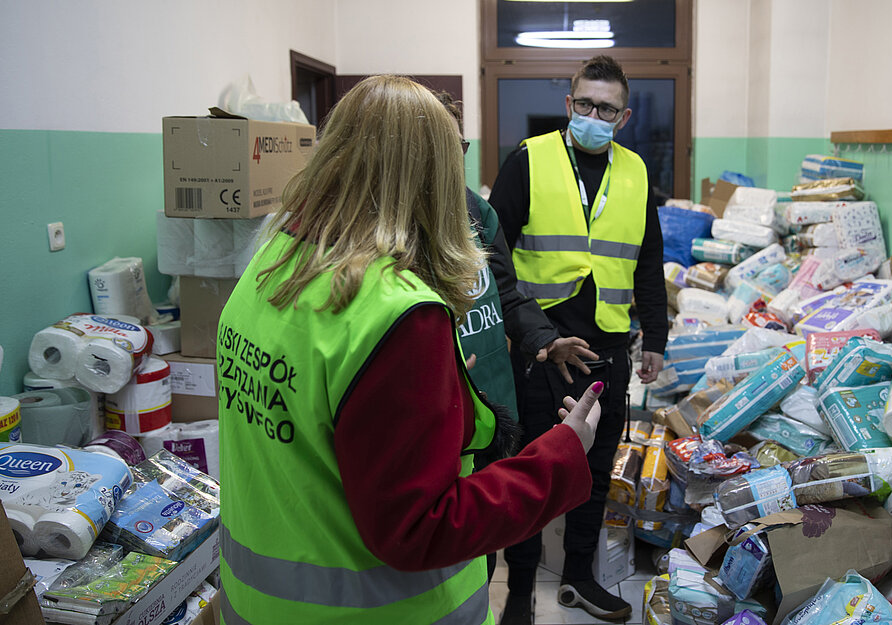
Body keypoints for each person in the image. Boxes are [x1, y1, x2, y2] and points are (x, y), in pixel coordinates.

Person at [215, 74, 606, 625]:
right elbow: (422, 527)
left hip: (259, 602)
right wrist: (563, 453)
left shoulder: (274, 261)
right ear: (432, 175)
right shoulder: (395, 312)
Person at [488, 55, 670, 623]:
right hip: (540, 350)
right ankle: (519, 592)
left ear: (624, 115)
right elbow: (492, 258)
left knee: (592, 474)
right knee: (529, 470)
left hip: (606, 352)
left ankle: (576, 579)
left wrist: (656, 336)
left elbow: (648, 261)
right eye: (585, 104)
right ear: (569, 105)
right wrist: (535, 335)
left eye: (607, 108)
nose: (594, 114)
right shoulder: (528, 161)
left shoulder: (637, 172)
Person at [433, 90, 601, 581]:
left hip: (492, 400)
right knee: (447, 534)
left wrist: (545, 340)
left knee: (482, 542)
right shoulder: (394, 227)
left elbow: (503, 287)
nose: (451, 161)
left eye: (457, 147)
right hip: (444, 405)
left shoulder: (472, 211)